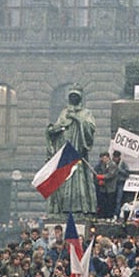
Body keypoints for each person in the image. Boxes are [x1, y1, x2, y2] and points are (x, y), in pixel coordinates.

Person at [46, 83, 97, 215]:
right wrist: (52, 130)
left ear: (80, 98)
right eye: (71, 96)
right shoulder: (64, 113)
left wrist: (77, 119)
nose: (73, 99)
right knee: (63, 179)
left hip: (77, 153)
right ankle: (62, 207)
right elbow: (59, 126)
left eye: (76, 96)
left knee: (77, 178)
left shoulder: (86, 113)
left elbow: (90, 128)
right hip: (64, 151)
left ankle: (79, 207)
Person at [112, 151, 130, 221]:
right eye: (114, 157)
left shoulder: (123, 164)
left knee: (118, 200)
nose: (114, 158)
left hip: (120, 183)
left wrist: (119, 169)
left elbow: (127, 173)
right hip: (113, 184)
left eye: (116, 157)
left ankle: (117, 214)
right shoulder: (112, 163)